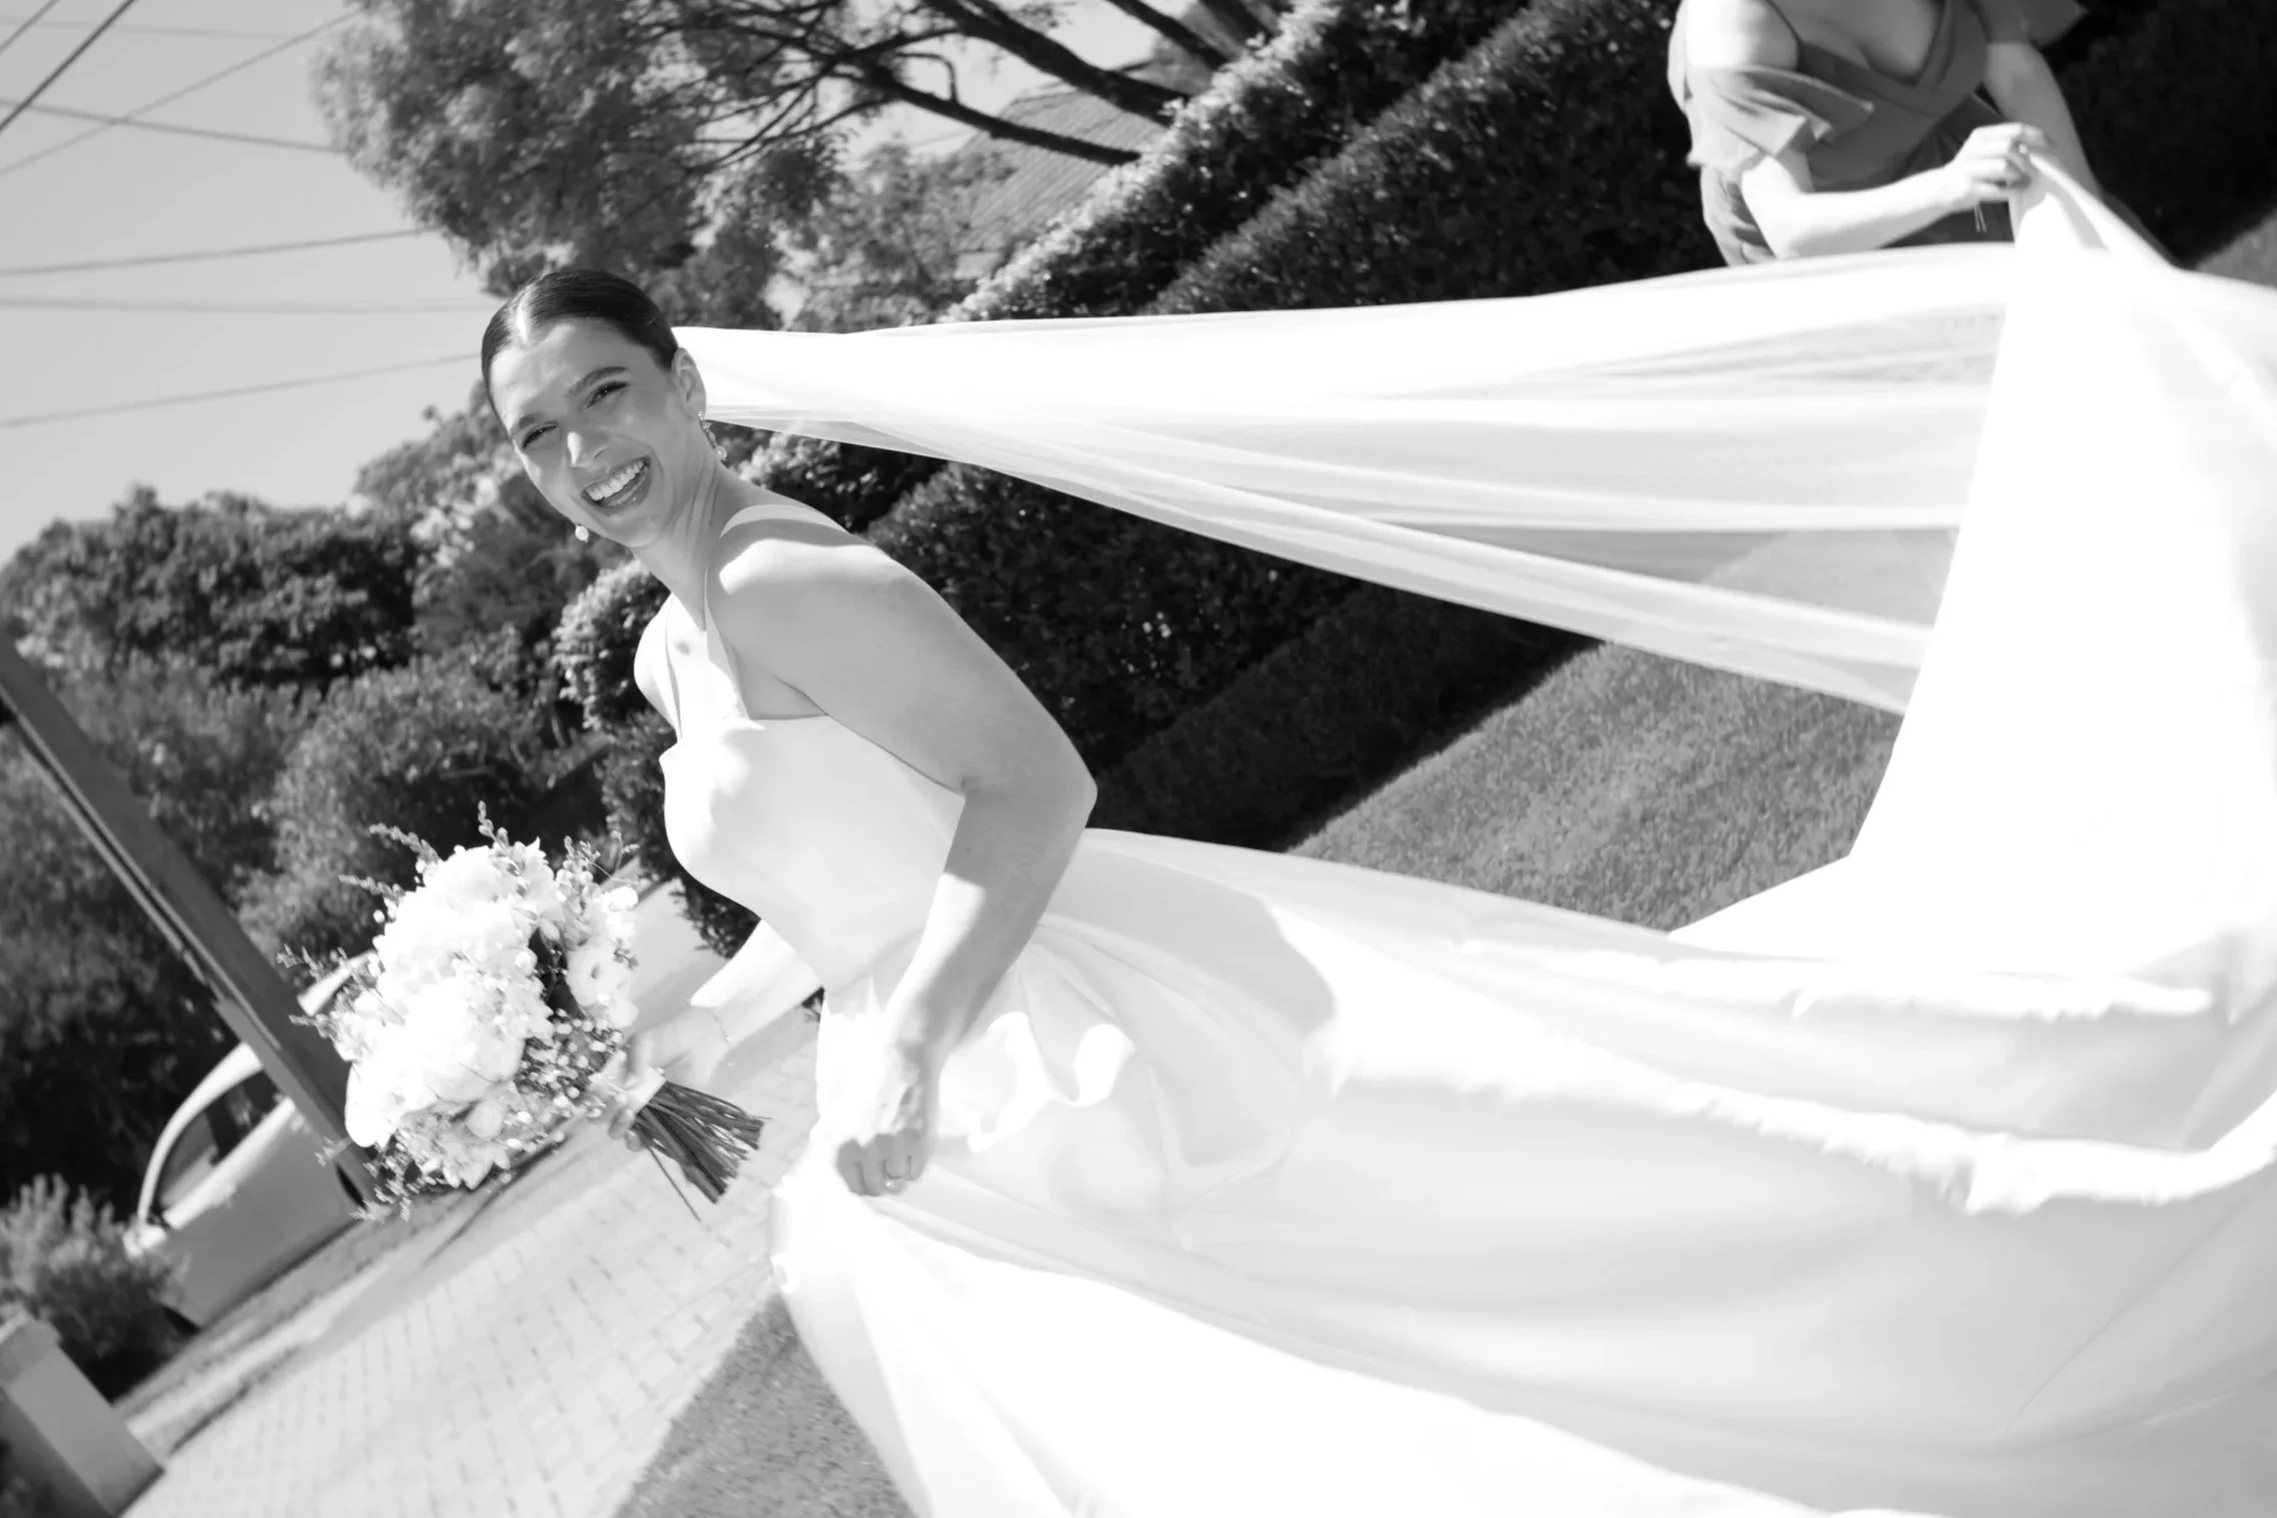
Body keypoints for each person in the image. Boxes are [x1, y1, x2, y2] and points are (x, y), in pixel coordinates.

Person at [483, 266, 2277, 1516]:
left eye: (605, 393)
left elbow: (1032, 788)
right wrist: (683, 1039)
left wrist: (915, 1044)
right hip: (948, 1094)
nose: (584, 451)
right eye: (538, 434)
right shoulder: (667, 649)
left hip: (1076, 1031)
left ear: (690, 386)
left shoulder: (788, 576)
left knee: (1542, 1240)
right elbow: (844, 874)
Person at [1666, 0, 2106, 264]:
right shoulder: (1731, 22)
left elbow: (2017, 75)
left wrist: (2095, 218)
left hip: (1953, 171)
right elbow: (1791, 232)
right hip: (1835, 251)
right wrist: (1952, 185)